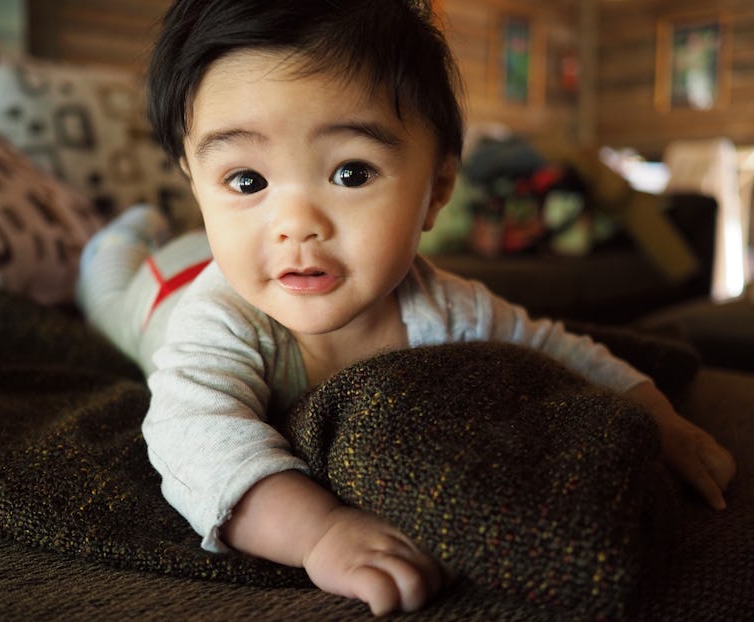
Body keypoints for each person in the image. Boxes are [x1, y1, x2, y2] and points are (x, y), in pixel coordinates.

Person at [76, 0, 736, 616]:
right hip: (166, 287)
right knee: (107, 280)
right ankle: (125, 229)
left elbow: (554, 346)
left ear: (436, 188)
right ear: (196, 181)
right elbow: (193, 437)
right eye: (246, 181)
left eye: (350, 173)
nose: (296, 224)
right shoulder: (221, 320)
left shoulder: (443, 307)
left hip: (218, 255)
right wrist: (318, 532)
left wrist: (658, 415)